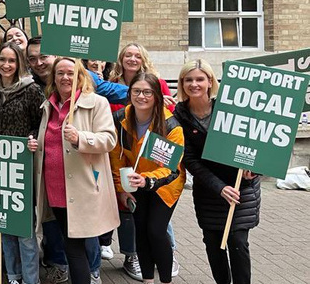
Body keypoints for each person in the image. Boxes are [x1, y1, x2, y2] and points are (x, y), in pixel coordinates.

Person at [173, 60, 260, 284]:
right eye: (188, 79)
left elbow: (256, 142)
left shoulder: (230, 107)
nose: (194, 84)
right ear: (182, 84)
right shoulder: (179, 115)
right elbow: (190, 159)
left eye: (200, 79)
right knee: (213, 244)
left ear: (210, 81)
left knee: (237, 242)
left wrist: (255, 169)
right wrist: (219, 188)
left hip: (242, 188)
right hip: (209, 191)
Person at [34, 57, 119, 284]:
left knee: (74, 247)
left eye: (71, 73)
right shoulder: (48, 105)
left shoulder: (97, 103)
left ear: (81, 76)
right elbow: (48, 143)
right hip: (55, 190)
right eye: (60, 73)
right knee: (69, 245)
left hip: (81, 190)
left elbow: (109, 139)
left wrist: (81, 138)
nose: (65, 77)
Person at [104, 43, 176, 279]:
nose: (141, 96)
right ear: (129, 94)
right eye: (136, 92)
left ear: (157, 95)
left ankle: (165, 279)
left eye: (147, 92)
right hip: (133, 183)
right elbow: (116, 158)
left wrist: (146, 180)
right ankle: (147, 279)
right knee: (141, 234)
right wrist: (121, 189)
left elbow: (171, 168)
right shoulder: (120, 119)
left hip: (164, 185)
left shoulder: (169, 125)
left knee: (156, 232)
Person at [0, 41, 44, 284]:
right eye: (2, 60)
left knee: (24, 230)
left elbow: (41, 123)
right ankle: (13, 276)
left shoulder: (31, 90)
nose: (6, 65)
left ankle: (31, 279)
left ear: (19, 63)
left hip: (22, 167)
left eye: (12, 60)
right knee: (4, 225)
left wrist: (33, 138)